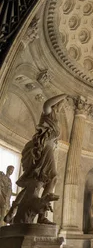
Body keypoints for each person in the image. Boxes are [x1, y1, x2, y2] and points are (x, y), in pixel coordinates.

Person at [5, 94, 66, 224]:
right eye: (61, 103)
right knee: (53, 177)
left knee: (34, 184)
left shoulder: (55, 119)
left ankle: (12, 211)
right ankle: (42, 216)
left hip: (46, 149)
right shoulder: (48, 113)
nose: (62, 106)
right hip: (44, 148)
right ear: (57, 104)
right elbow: (47, 103)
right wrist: (65, 94)